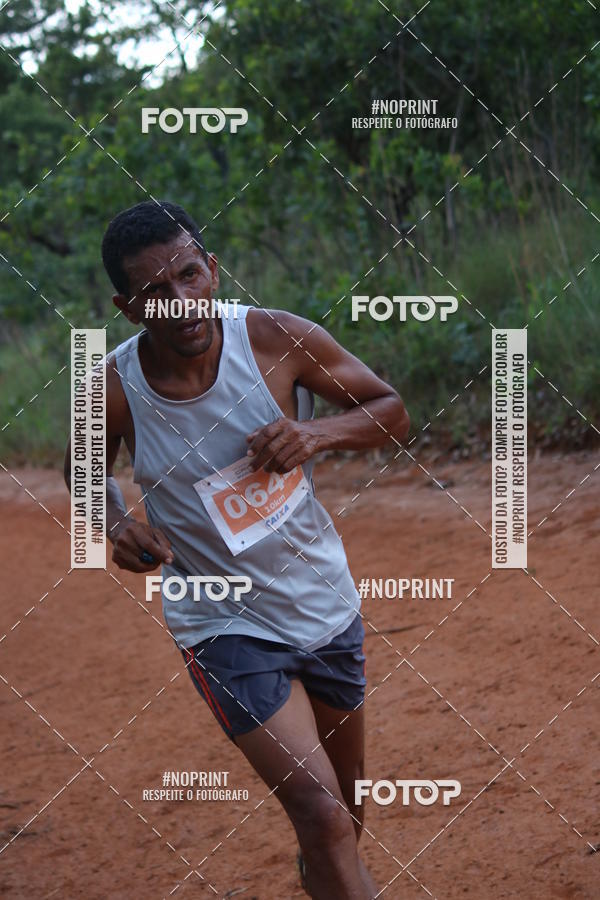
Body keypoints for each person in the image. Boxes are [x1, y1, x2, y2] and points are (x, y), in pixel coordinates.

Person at [64, 200, 409, 899]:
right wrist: (113, 523)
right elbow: (82, 468)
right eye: (155, 292)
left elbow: (390, 411)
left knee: (345, 813)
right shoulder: (112, 388)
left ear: (211, 271)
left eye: (189, 275)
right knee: (319, 812)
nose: (180, 302)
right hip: (221, 623)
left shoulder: (278, 340)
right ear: (127, 308)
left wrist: (317, 435)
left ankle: (323, 871)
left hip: (323, 603)